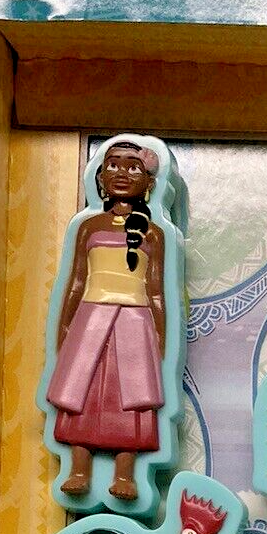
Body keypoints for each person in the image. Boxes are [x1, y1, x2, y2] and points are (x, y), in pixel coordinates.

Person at [47, 139, 169, 503]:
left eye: (133, 167)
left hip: (135, 320)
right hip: (90, 317)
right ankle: (78, 469)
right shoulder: (89, 226)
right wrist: (64, 328)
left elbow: (156, 290)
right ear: (100, 177)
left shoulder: (154, 234)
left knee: (131, 396)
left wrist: (160, 337)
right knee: (81, 391)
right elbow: (76, 281)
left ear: (149, 182)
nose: (122, 174)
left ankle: (125, 474)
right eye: (113, 165)